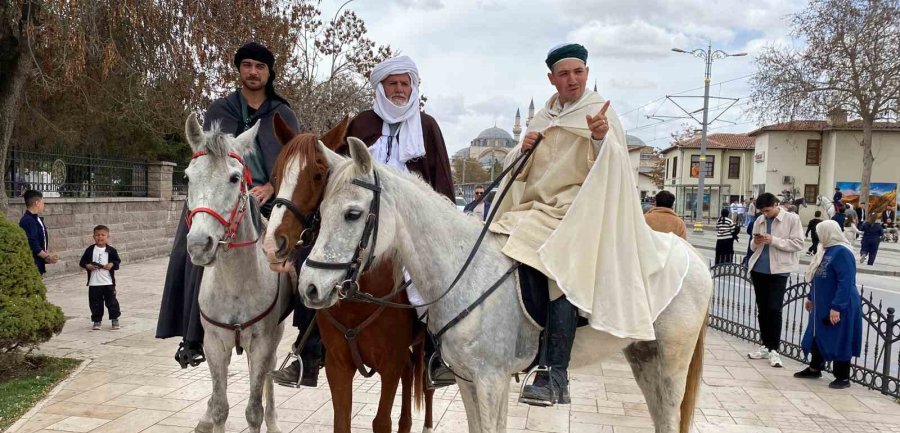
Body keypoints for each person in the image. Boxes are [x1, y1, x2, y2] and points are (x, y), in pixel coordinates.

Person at [489, 43, 684, 407]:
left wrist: (598, 138)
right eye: (564, 74)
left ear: (587, 73)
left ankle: (554, 373)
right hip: (534, 209)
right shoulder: (541, 119)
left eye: (578, 72)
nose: (572, 79)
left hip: (577, 211)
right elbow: (522, 174)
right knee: (487, 245)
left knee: (559, 267)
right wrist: (521, 150)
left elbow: (613, 169)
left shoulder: (599, 114)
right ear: (552, 79)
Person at [270, 55, 456, 388]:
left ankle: (435, 354)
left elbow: (441, 181)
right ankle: (308, 353)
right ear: (380, 87)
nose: (399, 90)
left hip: (409, 227)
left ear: (413, 87)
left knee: (427, 279)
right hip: (360, 220)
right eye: (392, 83)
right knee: (316, 265)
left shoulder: (427, 127)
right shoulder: (361, 124)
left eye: (405, 83)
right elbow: (332, 170)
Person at [157, 41, 305, 369]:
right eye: (248, 65)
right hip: (222, 198)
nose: (253, 72)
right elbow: (206, 159)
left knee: (310, 249)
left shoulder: (284, 114)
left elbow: (295, 162)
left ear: (269, 73)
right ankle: (192, 337)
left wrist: (272, 186)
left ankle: (309, 345)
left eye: (260, 67)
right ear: (239, 69)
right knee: (190, 245)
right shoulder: (218, 111)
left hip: (269, 201)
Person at [793, 220, 861, 389]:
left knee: (839, 338)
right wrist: (810, 297)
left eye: (820, 232)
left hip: (839, 305)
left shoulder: (842, 252)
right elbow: (817, 275)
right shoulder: (825, 250)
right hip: (822, 303)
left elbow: (845, 282)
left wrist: (837, 307)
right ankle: (815, 368)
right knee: (818, 335)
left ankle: (843, 377)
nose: (817, 235)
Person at [746, 193, 803, 368]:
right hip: (759, 268)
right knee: (762, 309)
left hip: (779, 270)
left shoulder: (792, 219)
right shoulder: (760, 220)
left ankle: (774, 349)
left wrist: (774, 240)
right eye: (762, 211)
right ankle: (765, 345)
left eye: (767, 210)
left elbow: (798, 243)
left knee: (774, 308)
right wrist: (756, 241)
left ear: (776, 205)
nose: (765, 213)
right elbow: (752, 246)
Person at [79, 225, 122, 330]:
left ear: (107, 236)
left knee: (111, 301)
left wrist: (111, 264)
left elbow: (117, 262)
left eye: (103, 235)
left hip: (108, 282)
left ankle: (114, 318)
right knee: (95, 302)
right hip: (94, 282)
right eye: (97, 235)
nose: (100, 237)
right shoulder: (90, 250)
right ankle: (97, 320)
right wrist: (88, 266)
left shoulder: (111, 250)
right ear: (93, 236)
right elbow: (82, 262)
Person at [18, 190, 57, 276]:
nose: (44, 205)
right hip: (32, 264)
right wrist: (46, 257)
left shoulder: (35, 218)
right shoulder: (28, 220)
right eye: (43, 202)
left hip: (38, 262)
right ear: (37, 203)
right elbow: (33, 243)